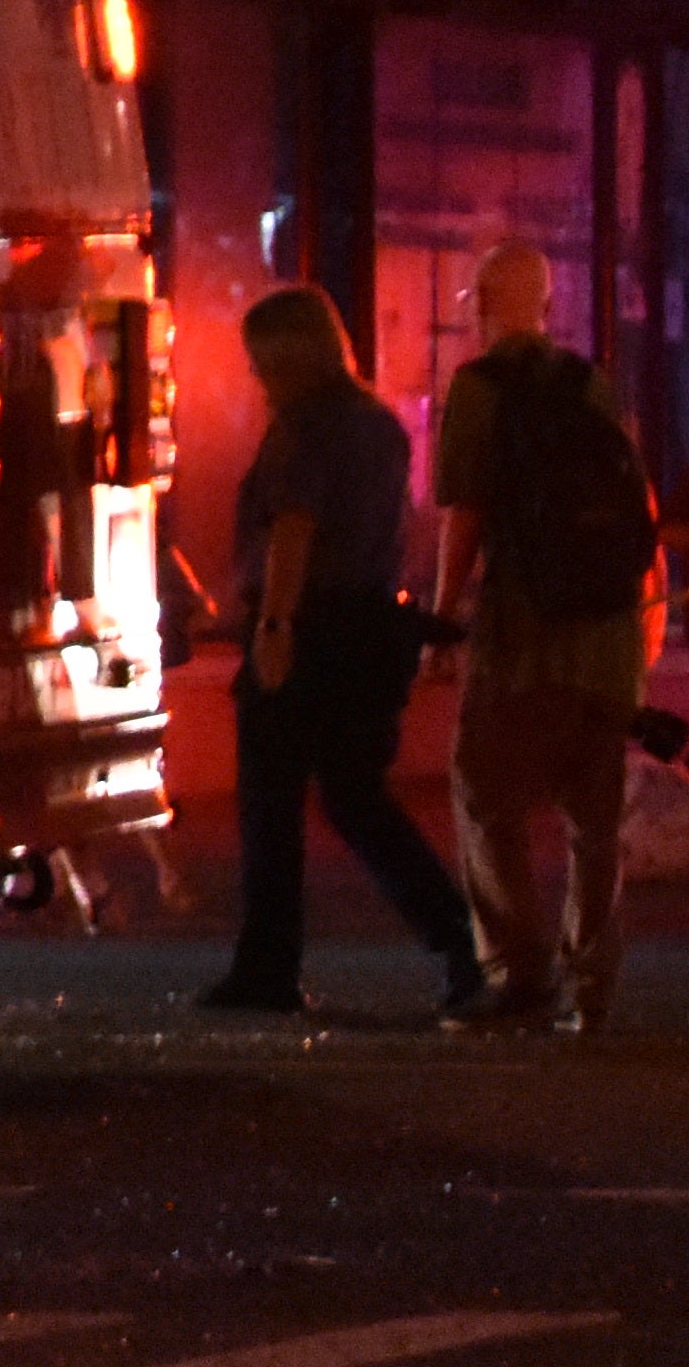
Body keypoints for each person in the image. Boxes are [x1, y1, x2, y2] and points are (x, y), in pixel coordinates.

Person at [198, 281, 485, 1018]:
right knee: (357, 798)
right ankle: (461, 941)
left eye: (260, 360)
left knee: (270, 804)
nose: (254, 375)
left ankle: (267, 967)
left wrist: (272, 627)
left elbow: (293, 528)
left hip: (303, 633)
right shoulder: (378, 423)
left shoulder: (304, 426)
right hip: (367, 636)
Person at [432, 240, 667, 1033]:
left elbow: (465, 514)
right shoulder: (590, 383)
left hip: (522, 637)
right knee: (594, 822)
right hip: (605, 642)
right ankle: (592, 989)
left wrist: (441, 620)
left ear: (486, 304)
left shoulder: (478, 389)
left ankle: (518, 977)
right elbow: (633, 510)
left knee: (484, 799)